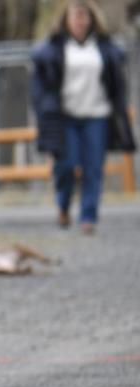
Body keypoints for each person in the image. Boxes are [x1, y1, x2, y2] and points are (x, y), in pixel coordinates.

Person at [31, 0, 136, 234]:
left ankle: (88, 216)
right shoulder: (53, 49)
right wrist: (45, 109)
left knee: (93, 167)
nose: (80, 21)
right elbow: (41, 88)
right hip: (66, 117)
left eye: (83, 16)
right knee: (66, 165)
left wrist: (119, 111)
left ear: (91, 19)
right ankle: (63, 205)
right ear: (66, 20)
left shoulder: (105, 48)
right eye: (75, 16)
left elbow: (117, 84)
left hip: (96, 116)